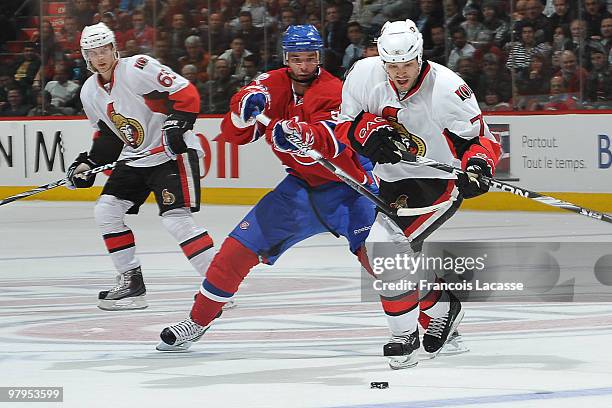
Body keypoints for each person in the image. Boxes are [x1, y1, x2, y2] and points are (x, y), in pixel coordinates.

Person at [156, 25, 377, 356]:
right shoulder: (270, 84)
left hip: (350, 189)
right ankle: (197, 321)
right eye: (297, 58)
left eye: (310, 58)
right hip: (299, 191)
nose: (304, 65)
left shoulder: (336, 90)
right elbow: (233, 134)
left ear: (320, 57)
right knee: (235, 250)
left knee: (386, 260)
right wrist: (242, 114)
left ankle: (437, 313)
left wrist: (305, 135)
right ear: (286, 58)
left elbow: (333, 140)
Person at [334, 19, 500, 368]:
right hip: (391, 181)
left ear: (420, 57)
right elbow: (346, 124)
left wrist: (479, 167)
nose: (399, 73)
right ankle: (443, 306)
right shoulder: (363, 74)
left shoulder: (448, 89)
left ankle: (404, 337)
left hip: (435, 182)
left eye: (406, 65)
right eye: (391, 66)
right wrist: (366, 133)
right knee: (395, 257)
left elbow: (481, 140)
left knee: (382, 249)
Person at [64, 22, 216, 311]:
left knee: (175, 220)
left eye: (104, 49)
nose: (100, 57)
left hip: (171, 154)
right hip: (137, 158)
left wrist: (176, 125)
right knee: (106, 210)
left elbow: (187, 94)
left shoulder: (137, 68)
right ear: (85, 56)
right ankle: (131, 283)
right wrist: (89, 162)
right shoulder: (88, 92)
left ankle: (218, 283)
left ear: (114, 48)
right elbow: (109, 135)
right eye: (93, 52)